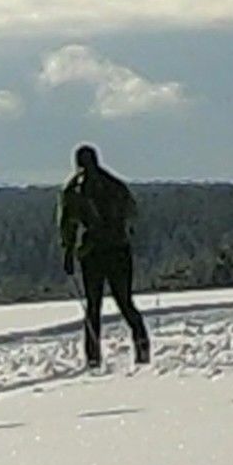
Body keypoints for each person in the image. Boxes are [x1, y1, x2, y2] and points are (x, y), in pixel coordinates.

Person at [56, 143, 151, 367]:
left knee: (98, 305)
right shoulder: (114, 185)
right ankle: (140, 349)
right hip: (114, 249)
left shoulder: (75, 189)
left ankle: (95, 358)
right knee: (120, 303)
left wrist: (69, 251)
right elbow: (132, 213)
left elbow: (68, 224)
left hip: (97, 251)